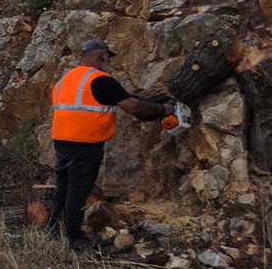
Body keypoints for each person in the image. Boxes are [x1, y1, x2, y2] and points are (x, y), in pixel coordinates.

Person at [46, 39, 175, 251]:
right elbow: (133, 108)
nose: (108, 62)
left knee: (64, 186)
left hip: (62, 140)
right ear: (102, 56)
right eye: (108, 58)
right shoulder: (101, 80)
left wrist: (123, 94)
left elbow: (91, 100)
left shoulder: (67, 79)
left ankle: (53, 229)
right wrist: (163, 110)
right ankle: (74, 238)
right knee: (78, 189)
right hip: (85, 143)